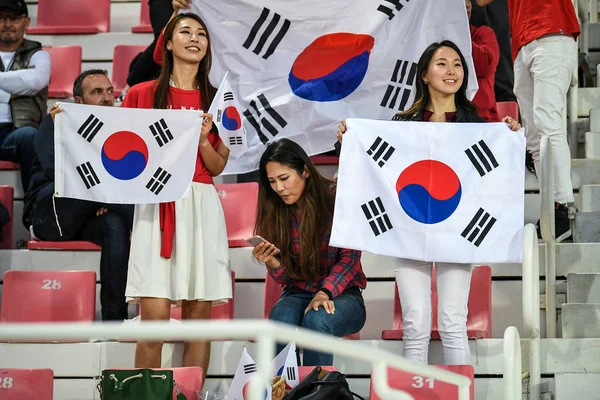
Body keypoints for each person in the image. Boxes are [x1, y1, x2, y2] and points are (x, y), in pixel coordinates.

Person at [337, 41, 521, 365]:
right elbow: (375, 167)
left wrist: (508, 136)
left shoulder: (476, 126)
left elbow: (494, 180)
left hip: (458, 234)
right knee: (415, 323)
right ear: (423, 74)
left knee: (452, 321)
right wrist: (350, 141)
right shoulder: (401, 124)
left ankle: (461, 394)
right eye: (442, 64)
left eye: (457, 65)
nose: (451, 71)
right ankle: (412, 392)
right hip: (407, 233)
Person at [121, 10, 232, 377]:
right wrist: (67, 121)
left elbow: (217, 166)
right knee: (153, 319)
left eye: (202, 33)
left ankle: (191, 394)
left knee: (198, 319)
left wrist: (201, 139)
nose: (195, 38)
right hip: (157, 203)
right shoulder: (141, 93)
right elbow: (117, 146)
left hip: (201, 203)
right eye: (185, 31)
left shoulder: (220, 100)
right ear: (167, 43)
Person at [23, 70, 133, 321]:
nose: (107, 98)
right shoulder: (57, 119)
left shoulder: (119, 129)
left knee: (114, 225)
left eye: (109, 91)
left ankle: (114, 323)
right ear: (79, 102)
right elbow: (58, 173)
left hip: (87, 215)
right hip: (49, 214)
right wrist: (105, 195)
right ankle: (159, 227)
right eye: (97, 92)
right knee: (86, 181)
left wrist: (104, 199)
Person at [252, 138, 367, 366]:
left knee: (317, 318)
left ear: (305, 171)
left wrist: (325, 292)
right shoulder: (273, 209)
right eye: (272, 181)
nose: (279, 188)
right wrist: (274, 263)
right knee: (280, 319)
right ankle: (283, 390)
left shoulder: (337, 199)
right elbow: (287, 279)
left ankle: (316, 391)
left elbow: (350, 259)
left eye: (284, 178)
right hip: (298, 292)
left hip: (344, 295)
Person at [477, 0, 580, 241]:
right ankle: (549, 212)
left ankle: (561, 207)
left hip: (552, 33)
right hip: (521, 43)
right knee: (533, 136)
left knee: (547, 125)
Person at [0, 0, 50, 199]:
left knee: (29, 135)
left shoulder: (39, 55)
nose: (7, 23)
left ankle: (33, 207)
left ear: (26, 22)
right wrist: (13, 89)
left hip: (19, 130)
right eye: (2, 18)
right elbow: (28, 82)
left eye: (14, 18)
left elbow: (37, 81)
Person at [467, 0, 500, 122]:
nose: (466, 4)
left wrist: (458, 34)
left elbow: (484, 66)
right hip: (443, 122)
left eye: (468, 1)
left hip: (483, 123)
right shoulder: (432, 38)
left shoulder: (483, 34)